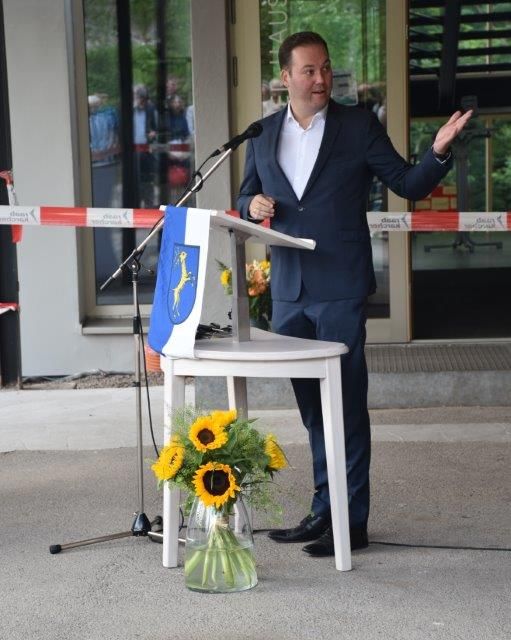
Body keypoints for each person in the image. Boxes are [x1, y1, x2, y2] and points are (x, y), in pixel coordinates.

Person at [237, 31, 472, 557]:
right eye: (309, 71)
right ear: (285, 79)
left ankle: (352, 522)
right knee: (313, 412)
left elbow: (408, 185)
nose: (320, 79)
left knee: (344, 405)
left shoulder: (357, 125)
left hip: (340, 287)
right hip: (290, 291)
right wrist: (251, 204)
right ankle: (325, 510)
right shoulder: (263, 133)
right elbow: (244, 193)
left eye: (325, 69)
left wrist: (436, 152)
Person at [133, 84, 157, 207]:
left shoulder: (151, 109)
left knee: (147, 181)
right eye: (138, 98)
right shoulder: (129, 110)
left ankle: (149, 206)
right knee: (135, 181)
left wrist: (154, 133)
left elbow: (156, 127)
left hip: (147, 150)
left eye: (143, 99)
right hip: (133, 151)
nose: (141, 102)